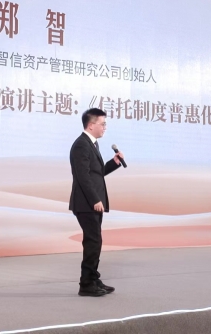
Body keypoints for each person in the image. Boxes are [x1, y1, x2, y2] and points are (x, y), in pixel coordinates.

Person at [69, 108, 124, 297]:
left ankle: (93, 279)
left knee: (95, 241)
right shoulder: (81, 145)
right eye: (103, 123)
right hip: (86, 203)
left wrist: (113, 163)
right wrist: (95, 199)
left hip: (91, 202)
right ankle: (86, 284)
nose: (105, 127)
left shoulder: (92, 144)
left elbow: (95, 173)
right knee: (93, 241)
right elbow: (83, 177)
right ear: (91, 125)